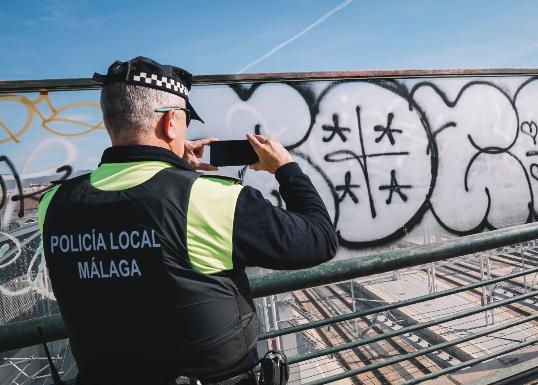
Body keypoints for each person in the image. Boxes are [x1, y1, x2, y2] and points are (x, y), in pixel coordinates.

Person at [37, 56, 338, 385]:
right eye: (184, 119)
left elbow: (134, 241)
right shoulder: (211, 199)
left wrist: (177, 169)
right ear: (170, 123)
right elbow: (318, 239)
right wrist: (285, 168)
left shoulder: (54, 204)